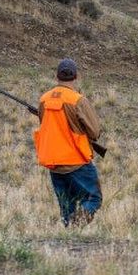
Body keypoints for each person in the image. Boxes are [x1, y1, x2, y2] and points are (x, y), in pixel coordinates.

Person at [34, 58, 103, 226]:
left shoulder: (44, 99)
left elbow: (47, 124)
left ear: (56, 76)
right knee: (93, 198)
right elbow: (95, 131)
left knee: (66, 205)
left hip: (54, 163)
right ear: (76, 76)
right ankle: (78, 227)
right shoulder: (77, 100)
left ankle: (69, 234)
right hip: (76, 161)